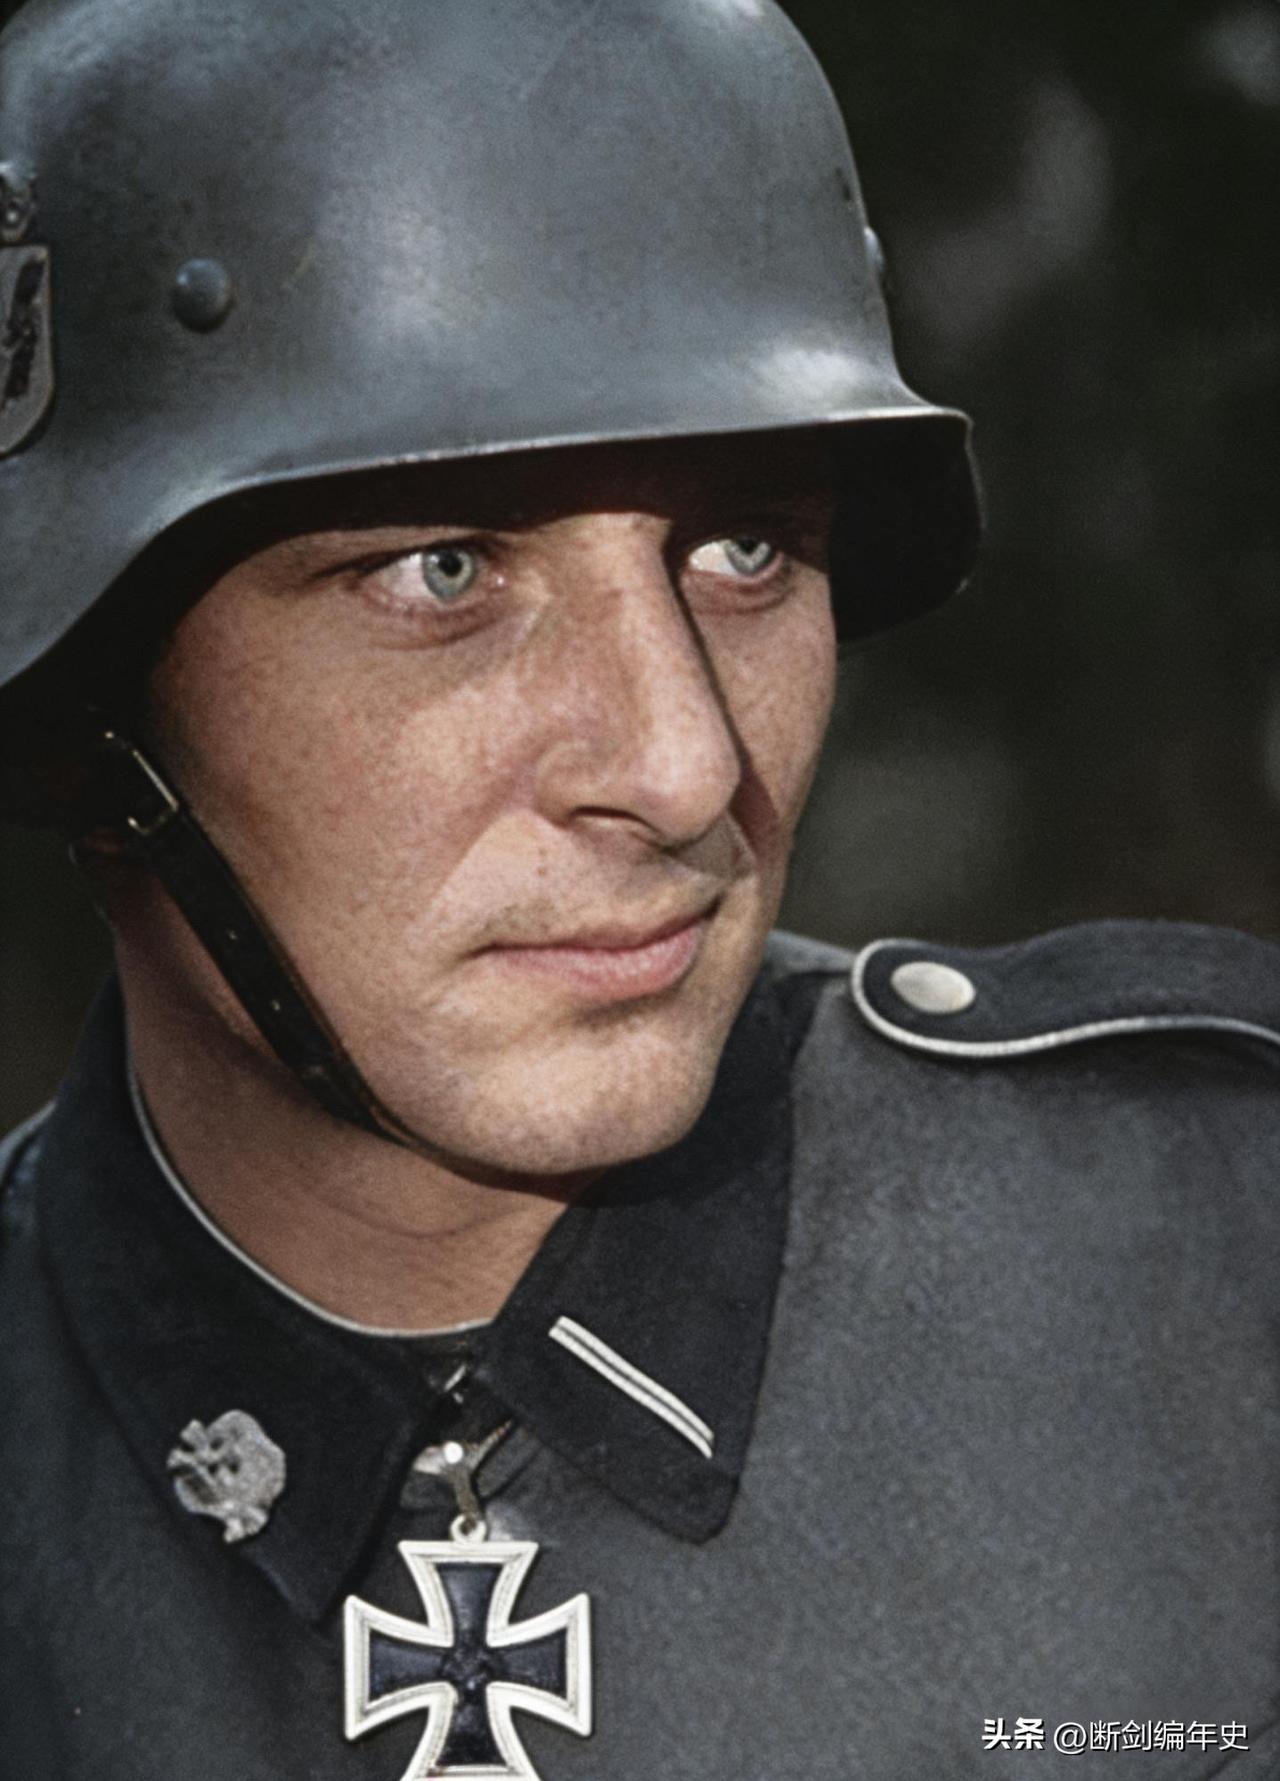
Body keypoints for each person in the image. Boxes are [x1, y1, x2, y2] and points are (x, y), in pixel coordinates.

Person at [0, 1, 1275, 1777]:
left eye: (747, 547)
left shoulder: (1219, 1259)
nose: (683, 767)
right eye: (444, 571)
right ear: (90, 705)